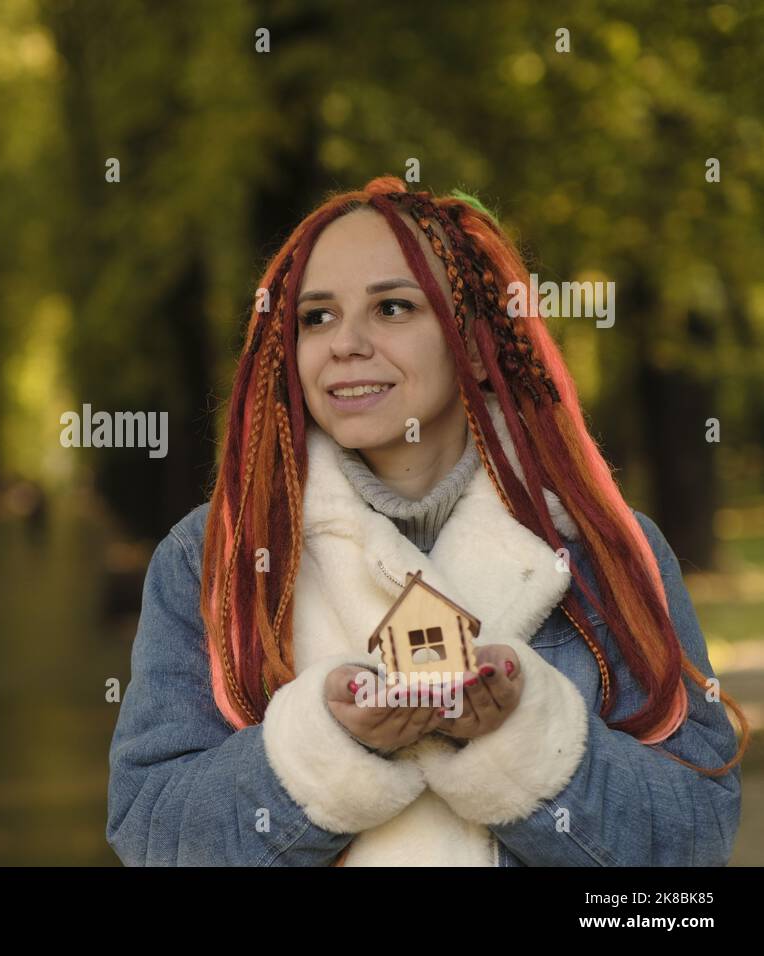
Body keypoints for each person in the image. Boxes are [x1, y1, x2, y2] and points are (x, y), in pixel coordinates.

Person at [106, 176, 748, 866]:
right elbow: (152, 831)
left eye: (391, 307)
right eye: (316, 317)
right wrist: (325, 751)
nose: (344, 343)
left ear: (474, 344)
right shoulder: (214, 555)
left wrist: (522, 743)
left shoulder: (605, 548)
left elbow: (696, 835)